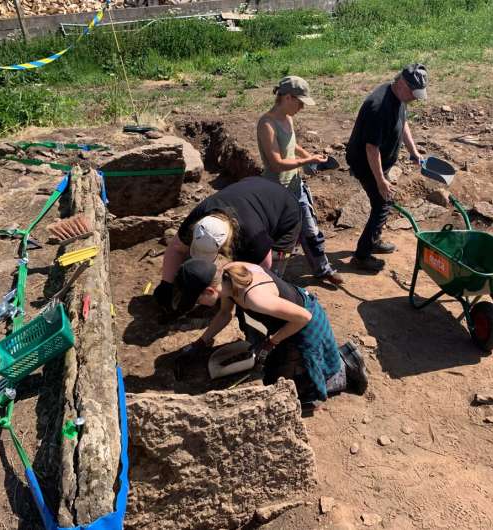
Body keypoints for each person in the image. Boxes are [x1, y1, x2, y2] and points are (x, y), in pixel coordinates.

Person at [173, 258, 368, 403]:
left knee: (291, 395)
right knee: (273, 373)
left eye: (197, 300)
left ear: (209, 291)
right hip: (289, 321)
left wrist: (272, 342)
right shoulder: (227, 275)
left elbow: (303, 318)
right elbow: (225, 313)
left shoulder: (253, 298)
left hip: (304, 325)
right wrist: (201, 342)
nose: (198, 305)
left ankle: (347, 366)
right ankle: (333, 359)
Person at [153, 176, 302, 312]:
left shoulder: (253, 236)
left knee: (265, 278)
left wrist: (233, 295)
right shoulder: (199, 219)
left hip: (285, 211)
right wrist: (167, 284)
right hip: (250, 189)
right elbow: (176, 249)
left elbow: (262, 269)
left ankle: (272, 306)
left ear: (224, 244)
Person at [257, 75, 343, 285]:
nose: (302, 107)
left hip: (296, 185)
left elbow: (292, 145)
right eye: (300, 102)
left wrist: (309, 158)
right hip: (276, 191)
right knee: (280, 240)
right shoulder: (266, 124)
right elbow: (276, 163)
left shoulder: (288, 119)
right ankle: (272, 281)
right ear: (288, 98)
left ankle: (322, 269)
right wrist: (306, 160)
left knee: (311, 230)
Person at [345, 63, 429, 272]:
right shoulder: (379, 107)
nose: (414, 98)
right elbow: (371, 148)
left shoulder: (399, 97)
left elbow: (402, 123)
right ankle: (361, 256)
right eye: (413, 93)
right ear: (401, 83)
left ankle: (374, 239)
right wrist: (381, 180)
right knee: (382, 204)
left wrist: (413, 151)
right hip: (365, 163)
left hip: (378, 162)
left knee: (383, 202)